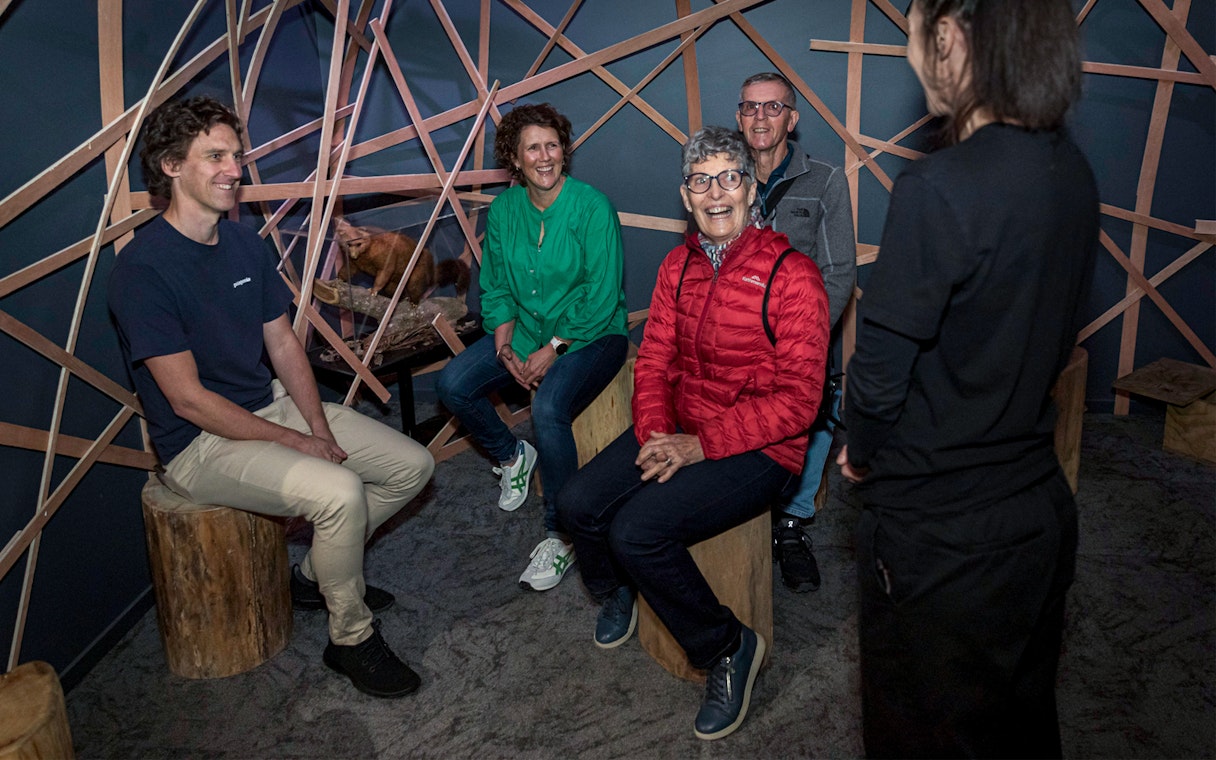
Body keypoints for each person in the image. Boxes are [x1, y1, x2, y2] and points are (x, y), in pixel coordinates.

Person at [836, 0, 1098, 755]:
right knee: (1019, 722)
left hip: (941, 538)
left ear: (946, 37)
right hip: (1035, 513)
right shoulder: (1071, 170)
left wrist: (861, 447)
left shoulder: (939, 187)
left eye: (914, 34)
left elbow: (877, 371)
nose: (913, 55)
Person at [108, 96, 435, 699]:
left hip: (269, 407)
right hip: (199, 445)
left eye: (236, 155)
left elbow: (284, 345)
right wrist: (301, 444)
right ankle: (351, 638)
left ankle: (311, 576)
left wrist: (320, 426)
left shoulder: (243, 245)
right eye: (216, 156)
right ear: (170, 165)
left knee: (413, 466)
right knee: (339, 494)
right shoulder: (143, 270)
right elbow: (188, 401)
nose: (234, 169)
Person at [558, 126, 830, 740]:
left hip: (763, 448)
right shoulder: (677, 266)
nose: (715, 193)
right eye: (701, 180)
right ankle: (624, 587)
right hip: (678, 425)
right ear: (685, 195)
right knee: (576, 504)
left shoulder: (794, 277)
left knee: (637, 529)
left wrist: (700, 446)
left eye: (729, 178)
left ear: (751, 187)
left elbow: (798, 404)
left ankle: (728, 646)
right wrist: (656, 431)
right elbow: (652, 360)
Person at [435, 103, 628, 592]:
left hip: (592, 334)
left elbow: (601, 296)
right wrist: (502, 346)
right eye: (533, 148)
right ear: (515, 160)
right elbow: (496, 286)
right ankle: (510, 456)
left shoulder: (592, 206)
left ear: (564, 150)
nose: (545, 156)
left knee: (549, 407)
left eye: (552, 145)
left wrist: (554, 348)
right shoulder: (503, 211)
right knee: (453, 384)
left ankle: (560, 535)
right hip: (523, 331)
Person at [737, 71, 856, 592]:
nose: (760, 117)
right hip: (737, 334)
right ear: (739, 117)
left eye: (772, 108)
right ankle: (737, 513)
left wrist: (799, 343)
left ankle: (791, 522)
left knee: (816, 407)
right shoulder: (722, 176)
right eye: (750, 108)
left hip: (800, 335)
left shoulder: (825, 179)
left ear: (792, 118)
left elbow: (840, 273)